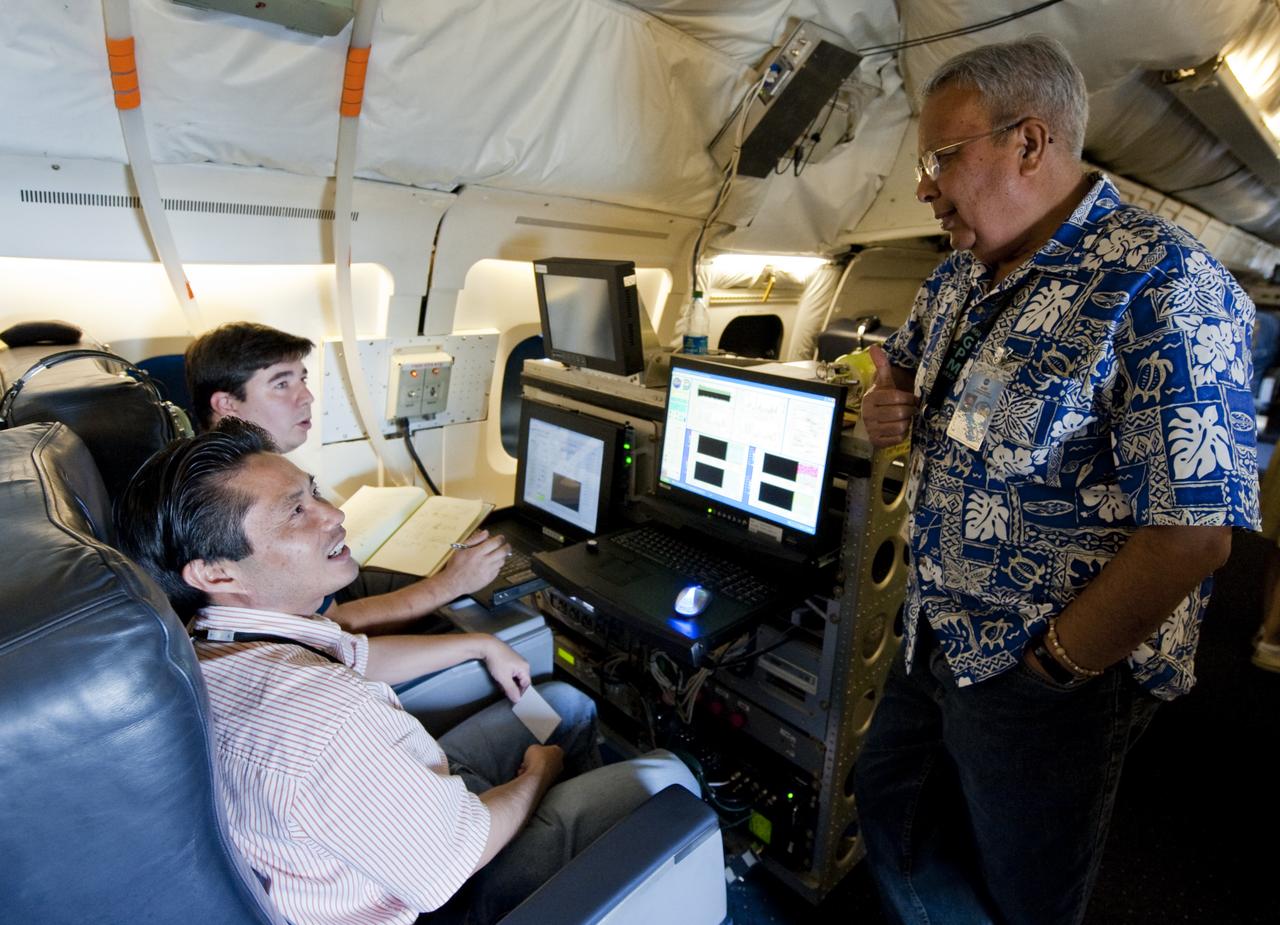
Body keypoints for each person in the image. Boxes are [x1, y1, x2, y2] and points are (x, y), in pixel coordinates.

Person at [854, 36, 1259, 925]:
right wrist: (884, 401)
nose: (924, 186)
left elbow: (1193, 535)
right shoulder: (961, 271)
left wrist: (1053, 666)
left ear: (1028, 144)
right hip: (936, 629)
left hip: (1045, 671)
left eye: (940, 159)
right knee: (890, 811)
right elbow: (900, 367)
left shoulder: (1169, 287)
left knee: (1026, 888)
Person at [114, 418, 697, 925]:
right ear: (216, 573)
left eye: (312, 492)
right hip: (438, 897)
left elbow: (350, 653)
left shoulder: (215, 639)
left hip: (385, 826)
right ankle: (575, 871)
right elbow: (456, 860)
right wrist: (538, 775)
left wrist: (477, 645)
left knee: (566, 707)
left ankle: (582, 857)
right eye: (297, 512)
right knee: (666, 775)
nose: (334, 514)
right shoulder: (325, 720)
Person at [185, 322, 506, 634]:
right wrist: (453, 583)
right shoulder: (227, 498)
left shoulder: (243, 467)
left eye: (302, 379)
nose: (307, 397)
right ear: (227, 405)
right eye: (282, 384)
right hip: (328, 633)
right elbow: (334, 627)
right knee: (469, 608)